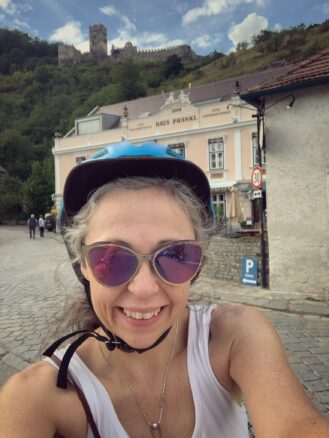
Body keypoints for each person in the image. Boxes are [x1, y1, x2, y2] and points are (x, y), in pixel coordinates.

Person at [0, 141, 328, 438]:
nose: (143, 289)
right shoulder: (36, 398)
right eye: (112, 258)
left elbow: (295, 426)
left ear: (197, 264)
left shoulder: (234, 337)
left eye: (175, 255)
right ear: (82, 264)